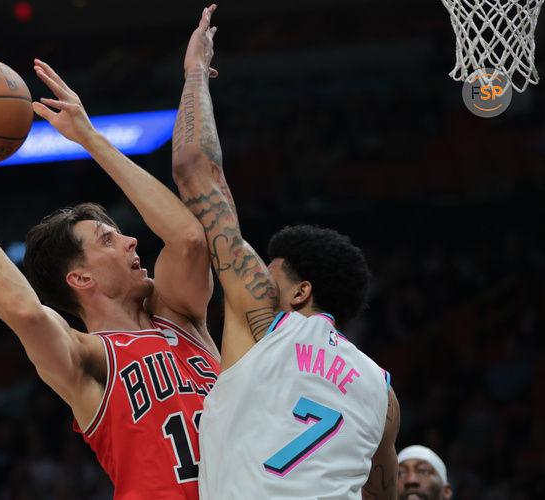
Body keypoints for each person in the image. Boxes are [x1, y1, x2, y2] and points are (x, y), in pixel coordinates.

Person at [0, 57, 220, 499]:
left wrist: (90, 138)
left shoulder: (182, 318)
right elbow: (24, 311)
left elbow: (190, 238)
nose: (133, 242)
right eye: (109, 241)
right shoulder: (87, 360)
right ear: (79, 278)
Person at [169, 5, 400, 499]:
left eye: (268, 271)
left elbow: (193, 167)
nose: (254, 274)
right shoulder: (383, 392)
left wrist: (193, 74)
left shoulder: (265, 315)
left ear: (299, 291)